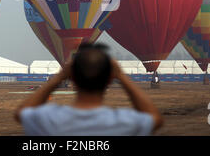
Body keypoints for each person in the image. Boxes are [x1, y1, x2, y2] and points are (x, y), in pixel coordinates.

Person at [15, 43, 164, 136]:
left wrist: (59, 76)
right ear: (110, 79)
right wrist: (122, 76)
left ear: (71, 77)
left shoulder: (49, 119)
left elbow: (21, 113)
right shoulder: (123, 121)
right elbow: (155, 119)